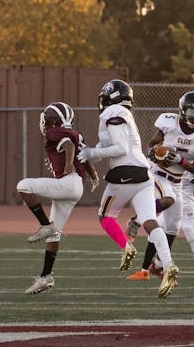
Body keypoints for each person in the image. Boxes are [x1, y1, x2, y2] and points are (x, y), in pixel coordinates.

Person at [77, 79, 178, 298]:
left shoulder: (112, 111)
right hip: (143, 173)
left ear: (112, 96)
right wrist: (91, 150)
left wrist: (91, 154)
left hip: (124, 174)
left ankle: (127, 247)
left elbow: (120, 149)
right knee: (150, 221)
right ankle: (168, 264)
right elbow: (112, 145)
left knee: (105, 216)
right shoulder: (122, 113)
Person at [126, 91, 194, 281]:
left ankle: (149, 269)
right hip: (157, 173)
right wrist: (155, 154)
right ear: (183, 110)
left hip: (177, 180)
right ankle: (137, 220)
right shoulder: (168, 123)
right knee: (168, 199)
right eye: (193, 112)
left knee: (172, 227)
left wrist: (180, 160)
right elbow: (150, 147)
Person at [17, 102, 98, 294]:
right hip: (75, 186)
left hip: (67, 182)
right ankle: (46, 277)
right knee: (55, 234)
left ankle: (44, 224)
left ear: (52, 120)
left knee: (23, 186)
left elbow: (69, 147)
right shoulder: (77, 134)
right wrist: (93, 175)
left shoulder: (54, 132)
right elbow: (84, 156)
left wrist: (68, 163)